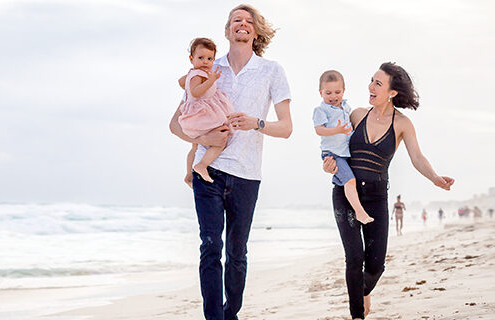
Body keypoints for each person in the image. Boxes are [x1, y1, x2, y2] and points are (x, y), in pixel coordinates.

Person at [169, 4, 292, 319]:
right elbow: (176, 124)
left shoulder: (272, 71)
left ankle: (230, 312)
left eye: (249, 21)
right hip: (208, 172)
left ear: (256, 31)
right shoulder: (207, 68)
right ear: (227, 30)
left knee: (237, 254)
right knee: (210, 247)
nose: (243, 23)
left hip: (247, 175)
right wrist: (203, 140)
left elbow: (287, 128)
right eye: (236, 19)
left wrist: (257, 123)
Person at [323, 62, 454, 320]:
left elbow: (417, 157)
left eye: (378, 83)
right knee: (354, 257)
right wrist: (328, 164)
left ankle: (363, 291)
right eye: (372, 81)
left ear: (392, 92)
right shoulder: (356, 115)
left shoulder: (402, 124)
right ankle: (357, 315)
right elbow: (332, 143)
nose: (371, 87)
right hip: (345, 193)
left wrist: (435, 178)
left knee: (375, 266)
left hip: (376, 196)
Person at [313, 70, 373, 224]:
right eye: (328, 93)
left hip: (345, 152)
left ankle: (354, 209)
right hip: (333, 154)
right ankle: (359, 213)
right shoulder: (321, 110)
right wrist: (336, 130)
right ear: (321, 93)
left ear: (343, 91)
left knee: (347, 181)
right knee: (350, 181)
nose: (333, 97)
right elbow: (319, 129)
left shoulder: (346, 107)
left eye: (337, 92)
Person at [178, 38, 235, 186]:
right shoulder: (199, 75)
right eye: (201, 58)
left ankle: (189, 174)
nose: (205, 62)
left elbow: (181, 82)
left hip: (198, 113)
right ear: (192, 59)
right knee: (221, 139)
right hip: (202, 113)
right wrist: (210, 80)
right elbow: (196, 92)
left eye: (210, 59)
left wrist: (187, 87)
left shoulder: (192, 73)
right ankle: (202, 165)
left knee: (195, 146)